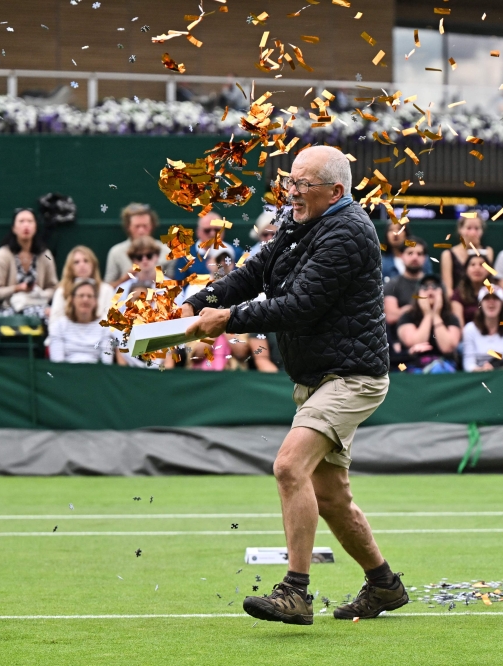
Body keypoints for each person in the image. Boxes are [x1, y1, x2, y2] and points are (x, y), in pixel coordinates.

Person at [181, 145, 406, 624]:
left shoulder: (349, 232)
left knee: (288, 467)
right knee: (331, 498)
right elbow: (255, 272)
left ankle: (295, 591)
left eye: (303, 184)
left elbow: (300, 305)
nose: (292, 192)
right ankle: (385, 585)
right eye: (291, 182)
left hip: (352, 378)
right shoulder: (300, 222)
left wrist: (227, 319)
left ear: (336, 191)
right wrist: (198, 301)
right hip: (318, 377)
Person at [0, 208, 58, 320]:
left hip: (39, 306)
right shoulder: (2, 255)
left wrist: (40, 295)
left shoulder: (46, 254)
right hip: (10, 308)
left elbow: (54, 287)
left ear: (35, 227)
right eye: (21, 221)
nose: (26, 225)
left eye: (30, 221)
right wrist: (17, 288)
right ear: (14, 228)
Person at [395, 274, 461, 372]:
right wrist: (427, 315)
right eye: (425, 287)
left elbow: (447, 347)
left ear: (442, 292)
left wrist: (436, 315)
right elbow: (416, 343)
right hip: (413, 365)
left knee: (439, 368)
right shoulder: (408, 316)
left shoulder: (451, 318)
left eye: (435, 287)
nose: (430, 291)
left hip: (444, 367)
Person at [47, 278, 113, 365]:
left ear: (95, 301)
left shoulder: (105, 326)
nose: (85, 299)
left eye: (89, 296)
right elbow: (57, 363)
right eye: (81, 295)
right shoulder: (59, 326)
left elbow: (107, 363)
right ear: (72, 300)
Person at [103, 203, 172, 286]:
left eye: (145, 226)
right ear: (128, 227)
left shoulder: (166, 251)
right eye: (137, 226)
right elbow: (107, 289)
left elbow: (175, 283)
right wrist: (126, 278)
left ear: (152, 226)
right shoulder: (116, 252)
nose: (141, 231)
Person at [50, 246, 115, 326]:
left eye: (86, 261)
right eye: (76, 262)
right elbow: (54, 321)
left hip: (100, 335)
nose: (82, 265)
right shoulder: (62, 291)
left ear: (93, 264)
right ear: (70, 267)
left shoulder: (106, 290)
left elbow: (112, 321)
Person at [461, 285, 503, 371]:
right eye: (486, 298)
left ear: (502, 304)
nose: (491, 302)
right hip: (478, 378)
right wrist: (483, 370)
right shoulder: (470, 329)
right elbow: (468, 365)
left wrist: (494, 371)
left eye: (495, 298)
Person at [170, 211, 238, 281]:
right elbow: (180, 282)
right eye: (207, 230)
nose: (213, 234)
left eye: (217, 230)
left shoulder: (236, 252)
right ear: (198, 232)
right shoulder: (186, 255)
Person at [440, 213, 494, 293]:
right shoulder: (448, 255)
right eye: (469, 228)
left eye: (476, 228)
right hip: (457, 301)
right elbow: (448, 289)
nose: (472, 232)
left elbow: (488, 280)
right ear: (460, 229)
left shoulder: (488, 251)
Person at [383, 238, 428, 330]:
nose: (415, 257)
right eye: (410, 253)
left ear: (425, 258)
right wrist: (420, 307)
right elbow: (391, 317)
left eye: (419, 254)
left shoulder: (434, 283)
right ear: (401, 256)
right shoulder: (392, 285)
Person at [451, 254, 492, 326]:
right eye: (473, 265)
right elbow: (459, 324)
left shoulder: (496, 291)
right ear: (466, 270)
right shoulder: (458, 294)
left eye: (481, 265)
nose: (477, 268)